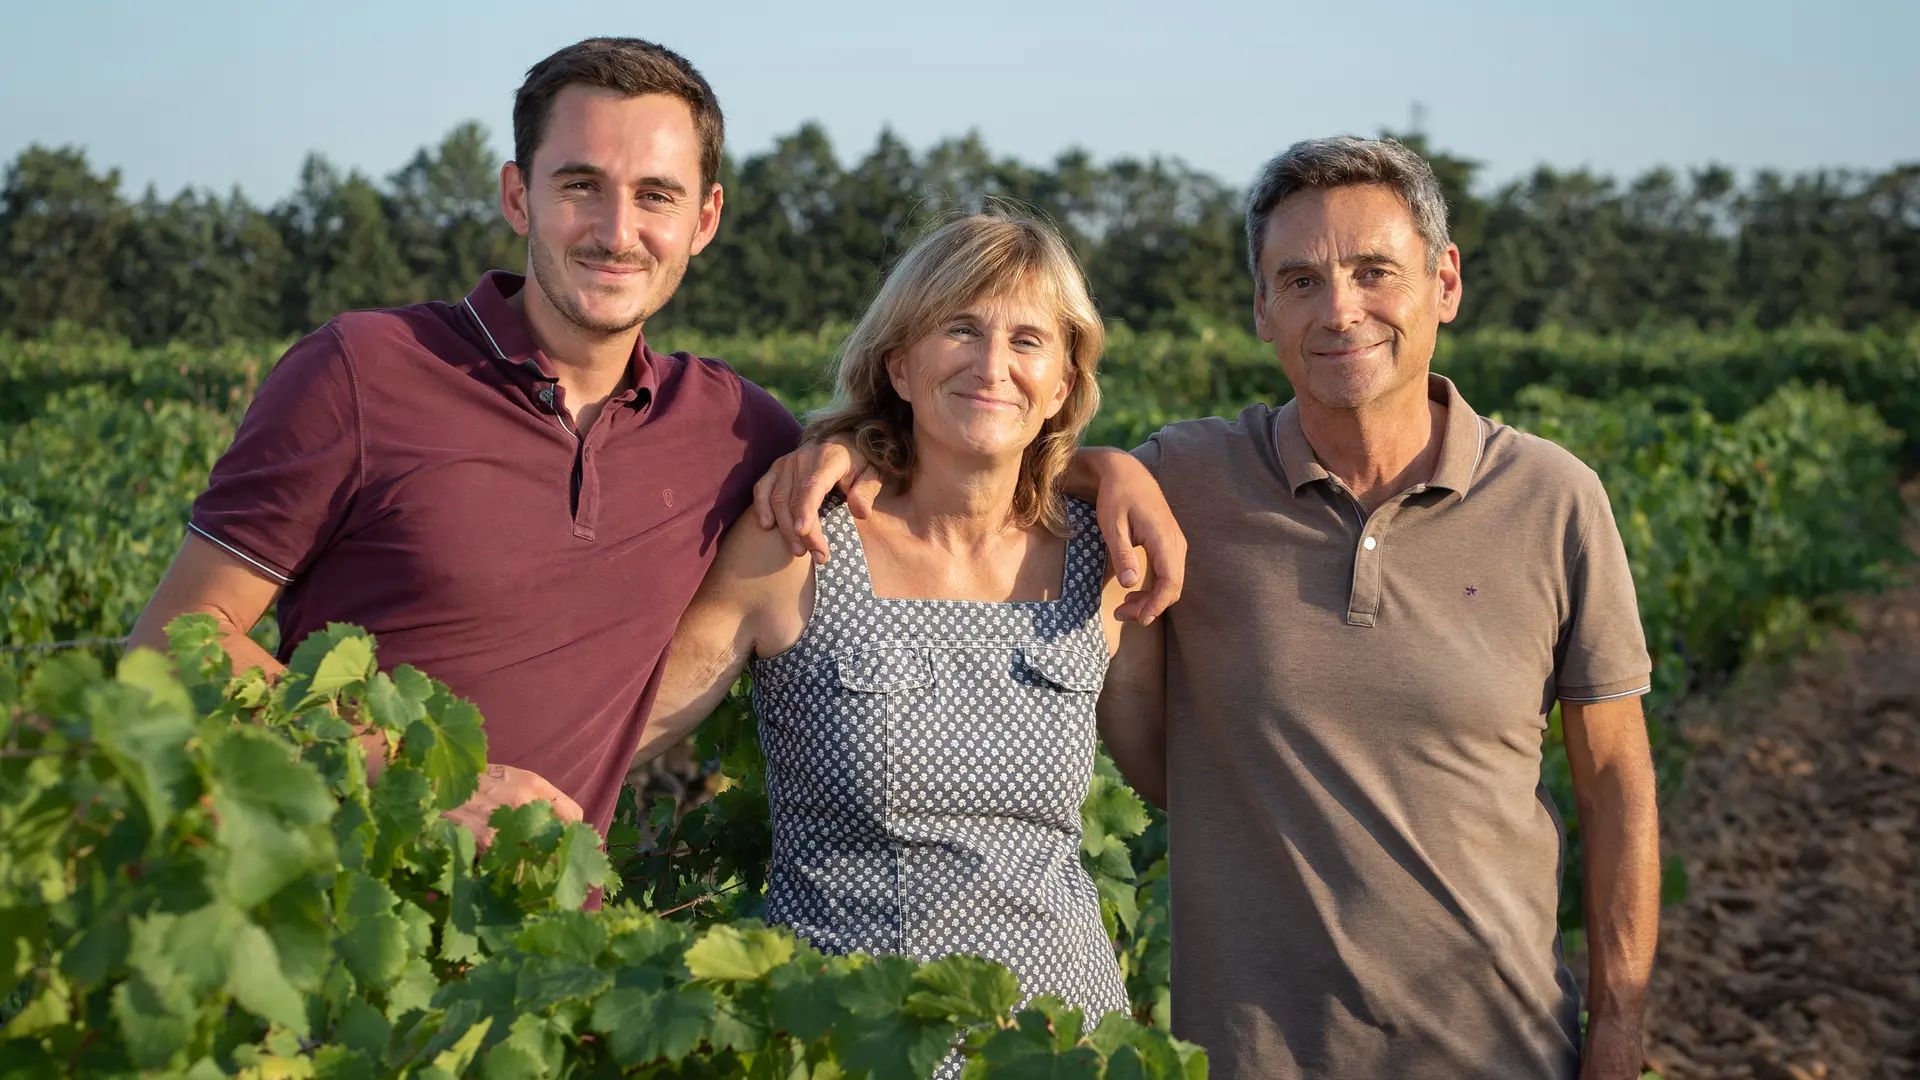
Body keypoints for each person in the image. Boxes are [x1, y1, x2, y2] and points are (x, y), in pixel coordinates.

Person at [126, 37, 1184, 848]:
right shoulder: (361, 370)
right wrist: (413, 771)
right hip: (333, 889)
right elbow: (173, 650)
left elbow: (956, 446)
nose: (616, 228)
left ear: (706, 217)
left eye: (656, 195)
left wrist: (1101, 466)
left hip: (549, 939)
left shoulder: (735, 433)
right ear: (516, 195)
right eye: (580, 184)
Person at [759, 137, 1662, 1080]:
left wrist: (1619, 1027)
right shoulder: (1187, 481)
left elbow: (1618, 787)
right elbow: (989, 454)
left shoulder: (1554, 498)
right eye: (1301, 279)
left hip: (1504, 1051)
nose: (1340, 309)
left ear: (1444, 283)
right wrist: (863, 452)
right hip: (1247, 1056)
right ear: (1262, 307)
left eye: (1373, 272)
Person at [628, 213, 1139, 1065]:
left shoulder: (1105, 562)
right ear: (899, 363)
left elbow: (1175, 770)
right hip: (851, 1044)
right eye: (960, 329)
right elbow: (635, 726)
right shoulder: (802, 542)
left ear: (1061, 383)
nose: (992, 364)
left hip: (1063, 1042)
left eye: (1027, 340)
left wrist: (1122, 469)